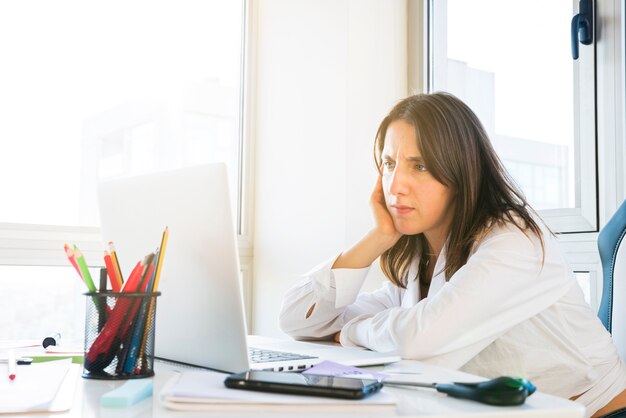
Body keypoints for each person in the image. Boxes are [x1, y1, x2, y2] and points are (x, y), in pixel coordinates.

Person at [278, 92, 626, 417]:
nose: (395, 184)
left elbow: (420, 340)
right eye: (388, 163)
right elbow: (297, 321)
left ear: (461, 172)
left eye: (420, 166)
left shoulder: (514, 239)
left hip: (596, 411)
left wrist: (348, 332)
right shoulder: (421, 256)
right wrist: (377, 237)